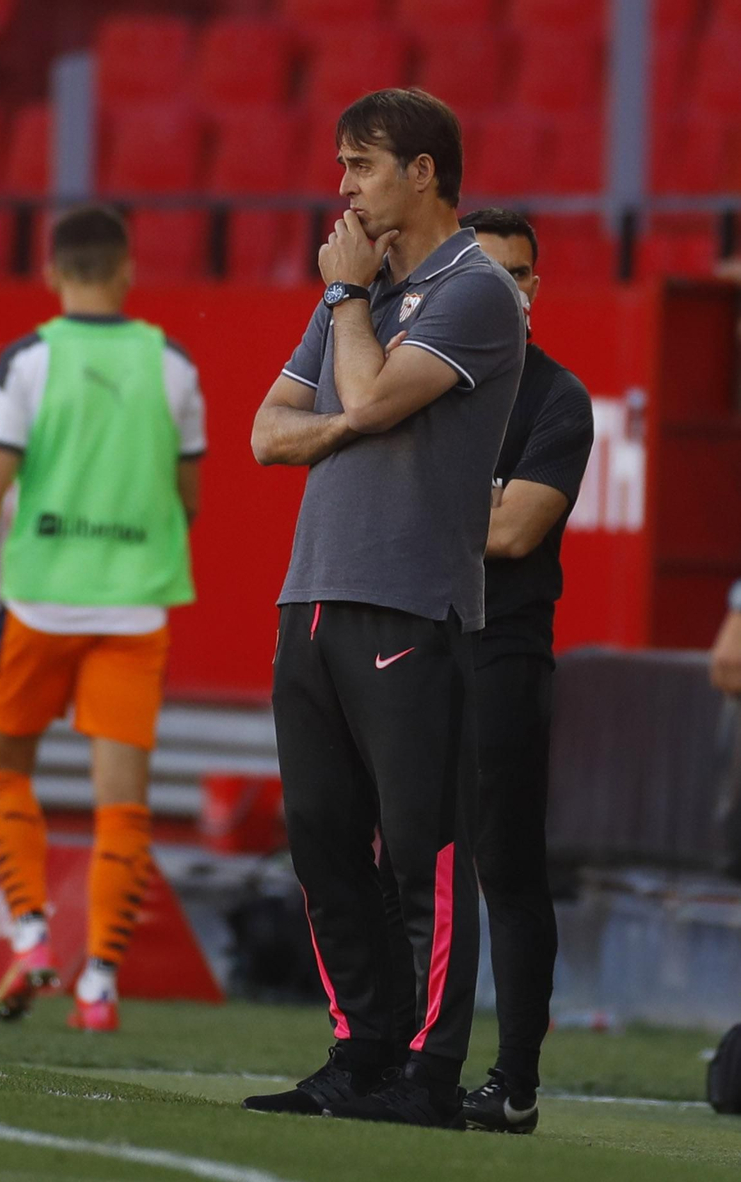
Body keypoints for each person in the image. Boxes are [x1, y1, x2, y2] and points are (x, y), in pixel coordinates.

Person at [242, 89, 526, 1126]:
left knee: (423, 854)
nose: (342, 187)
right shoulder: (361, 295)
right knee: (321, 841)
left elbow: (357, 399)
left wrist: (344, 312)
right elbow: (268, 433)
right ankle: (358, 1052)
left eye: (359, 166)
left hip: (410, 602)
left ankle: (426, 1072)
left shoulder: (471, 290)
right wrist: (346, 414)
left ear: (422, 171)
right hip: (311, 593)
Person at [0, 206, 205, 1033]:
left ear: (50, 273)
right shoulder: (175, 366)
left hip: (39, 602)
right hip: (133, 608)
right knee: (122, 800)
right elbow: (187, 498)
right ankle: (99, 982)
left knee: (4, 768)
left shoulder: (24, 360)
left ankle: (28, 936)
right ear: (128, 268)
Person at [444, 209, 595, 1134]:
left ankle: (515, 1082)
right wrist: (477, 503)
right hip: (418, 640)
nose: (510, 288)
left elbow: (515, 530)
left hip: (502, 649)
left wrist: (447, 506)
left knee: (505, 868)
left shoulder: (556, 399)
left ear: (538, 288)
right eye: (490, 271)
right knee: (402, 859)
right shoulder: (432, 382)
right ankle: (397, 1057)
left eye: (522, 274)